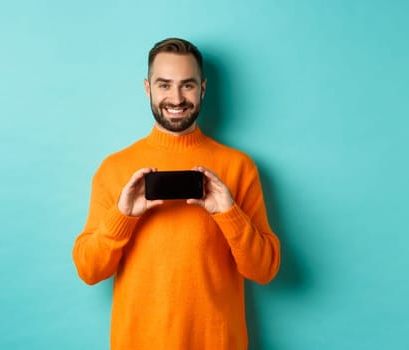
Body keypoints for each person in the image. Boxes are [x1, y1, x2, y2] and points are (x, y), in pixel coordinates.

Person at [71, 38, 281, 350]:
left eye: (188, 85)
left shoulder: (238, 167)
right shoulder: (114, 169)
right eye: (164, 85)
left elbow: (264, 270)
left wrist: (229, 213)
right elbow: (89, 270)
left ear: (203, 88)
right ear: (148, 89)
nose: (176, 97)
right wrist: (123, 216)